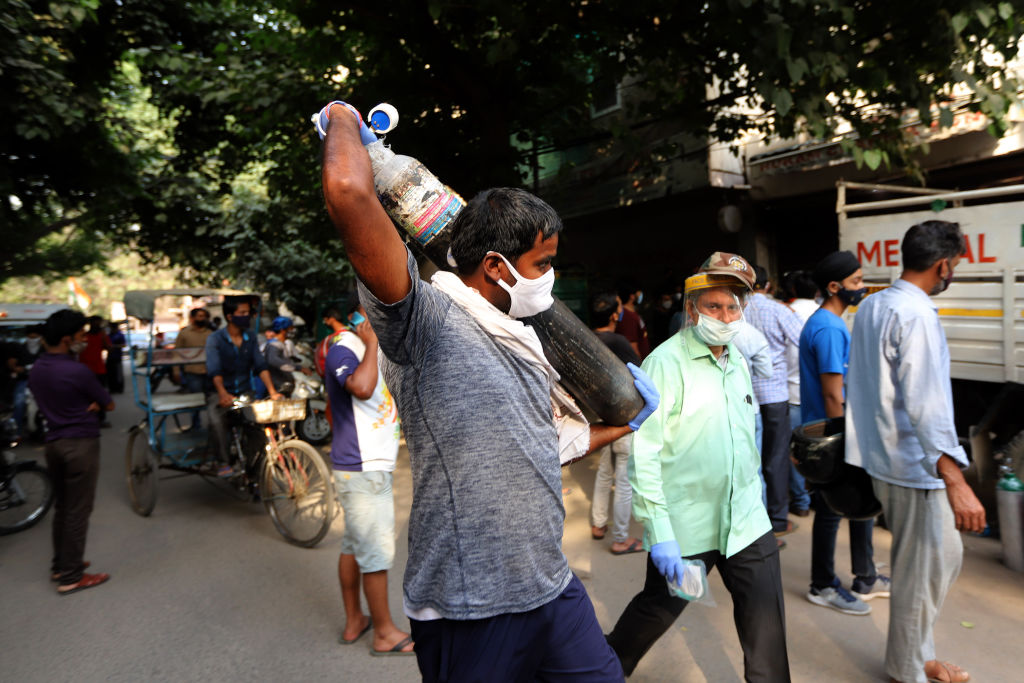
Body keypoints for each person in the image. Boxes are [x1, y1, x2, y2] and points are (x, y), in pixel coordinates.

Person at [317, 100, 659, 682]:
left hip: (548, 583)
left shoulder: (522, 338)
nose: (550, 275)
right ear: (499, 267)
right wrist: (343, 118)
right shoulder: (427, 321)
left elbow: (543, 444)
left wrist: (626, 423)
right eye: (543, 262)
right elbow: (349, 191)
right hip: (471, 604)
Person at [606, 252, 790, 681]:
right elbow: (645, 454)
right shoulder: (665, 364)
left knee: (766, 625)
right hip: (687, 529)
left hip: (746, 522)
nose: (725, 316)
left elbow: (745, 440)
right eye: (714, 306)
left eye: (733, 306)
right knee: (657, 609)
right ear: (693, 309)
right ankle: (600, 671)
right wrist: (660, 532)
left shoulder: (738, 361)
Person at [846, 221, 985, 683]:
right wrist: (957, 480)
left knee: (934, 562)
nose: (953, 273)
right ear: (943, 265)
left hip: (884, 457)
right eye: (956, 266)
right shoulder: (916, 314)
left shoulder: (873, 303)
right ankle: (909, 669)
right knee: (924, 571)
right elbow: (926, 403)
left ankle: (916, 656)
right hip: (914, 466)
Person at [799, 251, 889, 617]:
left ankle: (865, 576)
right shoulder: (829, 328)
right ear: (834, 287)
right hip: (834, 436)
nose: (861, 287)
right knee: (832, 511)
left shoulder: (827, 322)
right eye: (855, 282)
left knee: (857, 505)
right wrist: (846, 446)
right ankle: (822, 585)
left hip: (835, 432)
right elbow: (833, 393)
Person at [325, 301, 412, 655]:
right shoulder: (343, 346)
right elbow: (360, 388)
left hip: (369, 465)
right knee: (375, 551)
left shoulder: (371, 346)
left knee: (354, 544)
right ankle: (385, 633)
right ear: (360, 311)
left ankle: (354, 621)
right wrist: (372, 342)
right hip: (362, 466)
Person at [28, 309, 113, 595]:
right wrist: (94, 405)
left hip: (53, 444)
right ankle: (72, 576)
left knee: (63, 507)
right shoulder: (77, 370)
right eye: (80, 336)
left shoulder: (38, 368)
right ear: (66, 339)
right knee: (78, 510)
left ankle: (61, 564)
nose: (84, 341)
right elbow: (108, 403)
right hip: (80, 444)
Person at [745, 266, 803, 537]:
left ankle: (757, 516)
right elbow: (803, 341)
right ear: (767, 285)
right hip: (776, 393)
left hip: (746, 395)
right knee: (776, 457)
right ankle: (778, 518)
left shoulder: (735, 312)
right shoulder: (779, 311)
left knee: (753, 458)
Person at [588, 292, 643, 555]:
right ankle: (621, 538)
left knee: (603, 473)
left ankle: (598, 524)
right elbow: (640, 372)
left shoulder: (588, 338)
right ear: (613, 315)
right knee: (624, 480)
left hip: (602, 417)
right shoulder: (618, 340)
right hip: (625, 418)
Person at [204, 297, 281, 477]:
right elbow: (214, 370)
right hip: (220, 392)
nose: (247, 317)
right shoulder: (215, 339)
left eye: (248, 313)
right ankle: (222, 461)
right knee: (217, 422)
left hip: (245, 391)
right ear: (230, 316)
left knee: (257, 426)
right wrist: (223, 394)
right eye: (243, 313)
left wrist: (272, 391)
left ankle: (255, 468)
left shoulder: (250, 337)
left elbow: (260, 366)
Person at [780, 270, 818, 517]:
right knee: (817, 448)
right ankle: (817, 495)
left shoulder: (786, 312)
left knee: (794, 450)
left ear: (793, 290)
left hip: (791, 392)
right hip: (816, 394)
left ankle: (801, 502)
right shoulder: (823, 313)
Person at [176, 308, 213, 428]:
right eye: (199, 316)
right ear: (192, 318)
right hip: (192, 372)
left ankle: (213, 425)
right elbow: (176, 354)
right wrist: (175, 371)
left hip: (210, 372)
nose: (202, 319)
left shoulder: (210, 334)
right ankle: (195, 424)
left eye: (204, 316)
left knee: (212, 399)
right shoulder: (184, 334)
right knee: (195, 400)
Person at [78, 315, 111, 428]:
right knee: (85, 396)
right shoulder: (83, 336)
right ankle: (87, 418)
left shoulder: (102, 335)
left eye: (99, 323)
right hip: (84, 370)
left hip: (99, 369)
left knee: (99, 395)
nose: (97, 325)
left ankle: (100, 419)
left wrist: (103, 337)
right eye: (95, 322)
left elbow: (108, 347)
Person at [616, 280, 651, 360]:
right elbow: (632, 346)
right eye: (639, 292)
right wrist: (640, 365)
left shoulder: (632, 313)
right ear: (632, 296)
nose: (641, 294)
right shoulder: (628, 316)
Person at [263, 316, 298, 394]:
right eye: (290, 328)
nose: (293, 330)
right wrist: (298, 368)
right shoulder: (274, 345)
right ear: (283, 330)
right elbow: (273, 360)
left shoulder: (282, 343)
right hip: (277, 386)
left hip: (283, 384)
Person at [105, 322, 126, 394]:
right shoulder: (108, 335)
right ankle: (112, 388)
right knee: (110, 373)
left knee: (118, 373)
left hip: (117, 357)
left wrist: (114, 346)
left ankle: (119, 388)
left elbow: (123, 345)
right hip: (110, 357)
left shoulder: (120, 335)